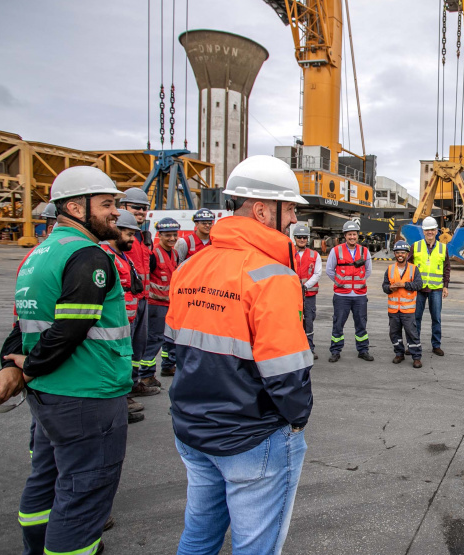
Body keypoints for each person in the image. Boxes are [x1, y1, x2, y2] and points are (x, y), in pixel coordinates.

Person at [165, 155, 312, 554]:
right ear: (262, 209)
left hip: (193, 428)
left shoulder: (190, 267)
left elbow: (174, 347)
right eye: (291, 207)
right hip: (252, 435)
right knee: (255, 547)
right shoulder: (273, 276)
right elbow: (287, 371)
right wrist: (297, 420)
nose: (294, 217)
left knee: (198, 537)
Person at [0, 166, 132, 555]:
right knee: (83, 495)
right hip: (87, 393)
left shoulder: (39, 255)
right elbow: (68, 330)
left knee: (45, 481)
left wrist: (14, 363)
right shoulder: (87, 256)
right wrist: (29, 365)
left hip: (48, 395)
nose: (115, 212)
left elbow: (23, 321)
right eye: (106, 204)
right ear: (74, 207)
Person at [100, 210, 149, 424]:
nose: (132, 239)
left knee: (124, 363)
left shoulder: (121, 256)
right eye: (129, 234)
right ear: (116, 231)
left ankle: (123, 401)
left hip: (127, 321)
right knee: (113, 366)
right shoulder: (105, 256)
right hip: (113, 326)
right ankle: (118, 408)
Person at [120, 187, 159, 396]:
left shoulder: (143, 236)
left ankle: (134, 382)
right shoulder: (119, 234)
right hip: (127, 299)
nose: (141, 212)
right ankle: (124, 389)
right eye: (136, 208)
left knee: (138, 344)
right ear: (123, 207)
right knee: (124, 346)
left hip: (143, 298)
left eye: (144, 209)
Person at [326, 220, 374, 362]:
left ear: (357, 236)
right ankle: (335, 351)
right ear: (345, 236)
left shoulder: (364, 251)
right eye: (349, 234)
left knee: (361, 324)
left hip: (359, 295)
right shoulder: (336, 250)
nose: (352, 237)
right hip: (342, 295)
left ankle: (363, 350)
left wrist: (359, 282)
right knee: (338, 324)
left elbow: (368, 270)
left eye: (354, 234)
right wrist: (340, 282)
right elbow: (329, 270)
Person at [141, 217, 179, 382]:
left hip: (169, 303)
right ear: (160, 235)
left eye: (174, 235)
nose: (172, 239)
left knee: (168, 338)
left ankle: (167, 365)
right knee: (154, 339)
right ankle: (146, 374)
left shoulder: (175, 253)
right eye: (167, 235)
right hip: (156, 304)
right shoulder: (153, 254)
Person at [409, 216, 449, 356]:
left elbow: (446, 268)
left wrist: (445, 286)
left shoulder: (443, 248)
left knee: (436, 318)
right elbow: (408, 266)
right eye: (427, 230)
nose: (430, 232)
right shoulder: (416, 246)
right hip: (419, 289)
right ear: (423, 231)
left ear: (437, 231)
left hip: (436, 289)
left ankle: (436, 345)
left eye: (432, 230)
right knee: (416, 318)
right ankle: (414, 344)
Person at [384, 240, 424, 368]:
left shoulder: (413, 269)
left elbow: (419, 285)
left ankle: (416, 357)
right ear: (394, 254)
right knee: (394, 333)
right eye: (397, 252)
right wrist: (390, 288)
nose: (400, 255)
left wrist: (404, 284)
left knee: (412, 333)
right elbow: (384, 287)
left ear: (407, 254)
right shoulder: (390, 269)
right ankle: (399, 353)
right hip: (394, 311)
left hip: (408, 310)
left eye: (402, 252)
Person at [293, 223, 322, 359]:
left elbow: (317, 273)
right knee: (293, 321)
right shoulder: (289, 253)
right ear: (295, 238)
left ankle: (309, 348)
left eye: (304, 237)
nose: (302, 239)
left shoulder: (314, 255)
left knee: (309, 321)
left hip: (309, 295)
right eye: (299, 237)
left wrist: (305, 286)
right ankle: (294, 348)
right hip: (291, 295)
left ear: (308, 239)